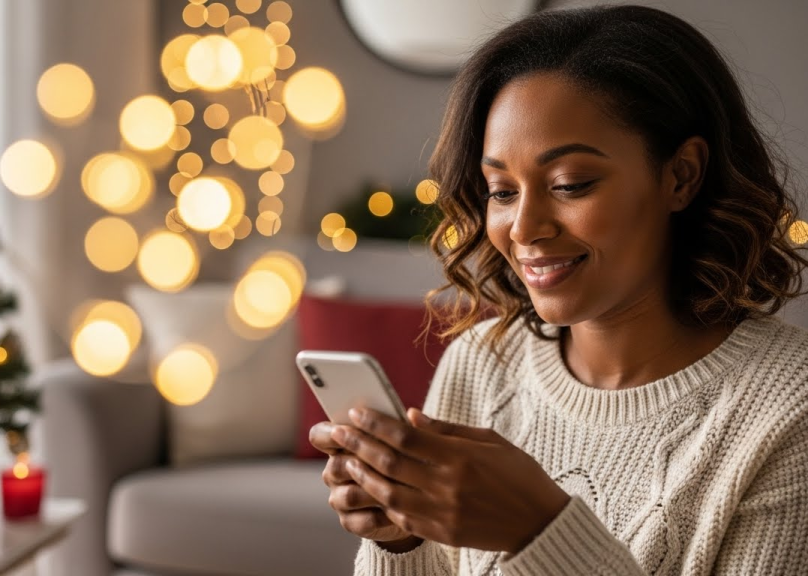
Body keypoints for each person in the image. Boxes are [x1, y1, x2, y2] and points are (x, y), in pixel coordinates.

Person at [309, 5, 808, 575]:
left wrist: (538, 531)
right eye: (501, 191)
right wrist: (402, 543)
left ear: (681, 175)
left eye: (570, 184)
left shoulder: (789, 409)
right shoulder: (481, 365)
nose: (524, 229)